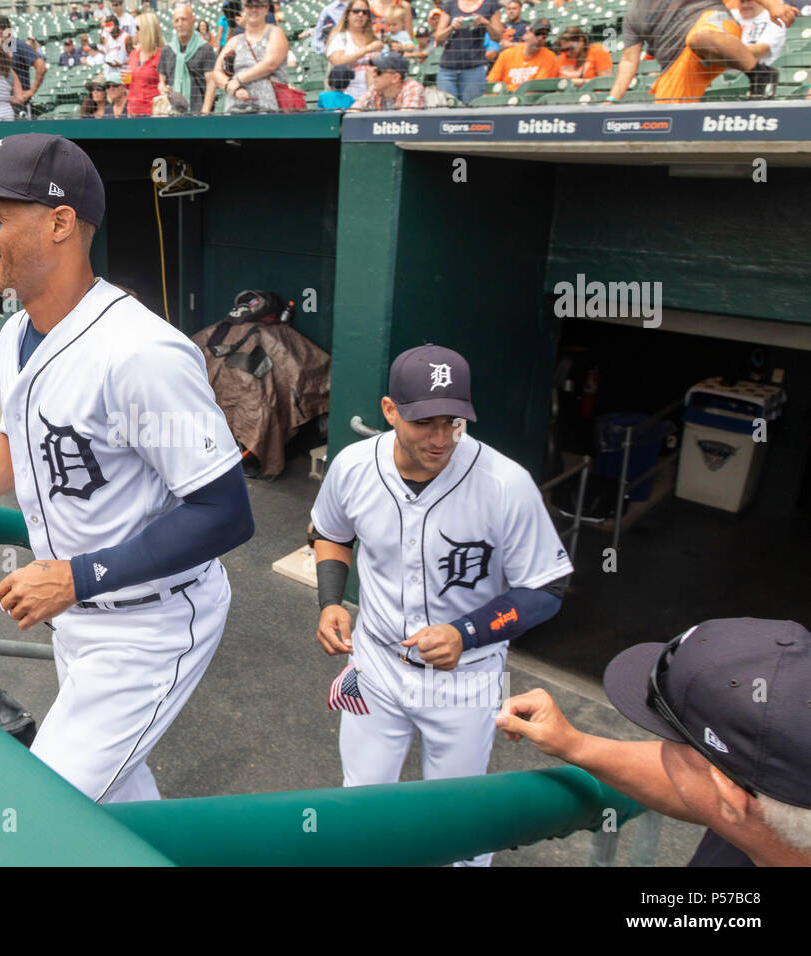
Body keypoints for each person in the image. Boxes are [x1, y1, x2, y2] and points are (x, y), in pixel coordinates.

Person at [0, 133, 253, 805]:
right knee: (116, 798)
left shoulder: (141, 353)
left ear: (61, 223)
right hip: (81, 613)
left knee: (44, 810)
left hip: (150, 624)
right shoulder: (16, 333)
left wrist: (73, 577)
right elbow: (20, 443)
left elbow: (225, 513)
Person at [309, 344, 571, 867]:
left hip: (466, 679)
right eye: (425, 421)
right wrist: (330, 602)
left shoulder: (505, 484)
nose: (441, 437)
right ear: (390, 410)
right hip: (376, 666)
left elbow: (546, 588)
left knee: (460, 824)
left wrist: (467, 633)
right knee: (360, 804)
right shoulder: (354, 466)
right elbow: (329, 533)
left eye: (453, 421)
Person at [497, 618, 811, 866]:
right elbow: (702, 787)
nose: (663, 746)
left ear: (730, 795)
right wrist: (574, 745)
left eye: (676, 738)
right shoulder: (776, 813)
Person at [608, 0, 795, 104]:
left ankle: (759, 73)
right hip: (678, 61)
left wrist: (771, 5)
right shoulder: (632, 13)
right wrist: (611, 100)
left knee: (698, 37)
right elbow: (628, 60)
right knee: (667, 116)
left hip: (714, 28)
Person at [213, 0, 289, 112]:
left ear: (266, 8)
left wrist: (239, 81)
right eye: (249, 5)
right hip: (234, 108)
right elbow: (217, 71)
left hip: (267, 107)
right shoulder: (234, 41)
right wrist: (232, 87)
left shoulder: (275, 33)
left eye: (258, 5)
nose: (254, 9)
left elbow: (270, 64)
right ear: (244, 8)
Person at [432, 0, 504, 104]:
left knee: (470, 111)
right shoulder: (450, 4)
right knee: (445, 110)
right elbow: (438, 38)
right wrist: (452, 26)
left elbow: (498, 37)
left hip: (474, 67)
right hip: (448, 68)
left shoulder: (490, 4)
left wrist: (485, 22)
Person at [158, 4, 217, 114]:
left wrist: (205, 112)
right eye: (176, 20)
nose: (180, 24)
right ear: (173, 24)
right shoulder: (167, 50)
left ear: (193, 21)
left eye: (184, 19)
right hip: (173, 113)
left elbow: (211, 83)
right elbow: (161, 81)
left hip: (198, 112)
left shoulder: (205, 48)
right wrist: (162, 87)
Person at [326, 0, 385, 103]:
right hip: (346, 97)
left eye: (365, 12)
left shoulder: (374, 38)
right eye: (356, 11)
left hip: (373, 97)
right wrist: (366, 50)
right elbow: (337, 61)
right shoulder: (340, 37)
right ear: (347, 14)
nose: (360, 15)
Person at [0, 15, 46, 116]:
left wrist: (31, 91)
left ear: (9, 29)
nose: (0, 31)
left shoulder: (18, 45)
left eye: (3, 27)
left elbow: (41, 67)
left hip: (19, 104)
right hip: (1, 104)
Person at [487, 19, 557, 90]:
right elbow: (492, 82)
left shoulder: (549, 57)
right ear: (527, 34)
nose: (540, 38)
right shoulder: (507, 54)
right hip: (506, 96)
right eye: (537, 33)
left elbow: (538, 88)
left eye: (544, 35)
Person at [732, 0, 787, 75]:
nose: (745, 5)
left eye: (749, 1)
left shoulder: (774, 19)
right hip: (723, 74)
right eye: (742, 2)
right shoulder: (731, 14)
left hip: (758, 74)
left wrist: (723, 52)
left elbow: (761, 48)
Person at [125, 11, 164, 114]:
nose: (135, 31)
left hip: (152, 113)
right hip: (132, 112)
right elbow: (130, 86)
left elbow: (164, 87)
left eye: (137, 27)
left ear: (147, 30)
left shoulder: (161, 55)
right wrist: (126, 81)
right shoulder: (133, 54)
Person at [357, 51, 426, 107]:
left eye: (379, 72)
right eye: (374, 71)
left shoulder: (412, 87)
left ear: (395, 78)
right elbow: (353, 111)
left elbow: (407, 119)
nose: (374, 75)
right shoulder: (375, 89)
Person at [100, 17, 130, 81]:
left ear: (117, 26)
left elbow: (134, 60)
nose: (110, 32)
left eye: (112, 29)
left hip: (123, 75)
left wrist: (121, 64)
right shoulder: (108, 37)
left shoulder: (126, 38)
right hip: (109, 74)